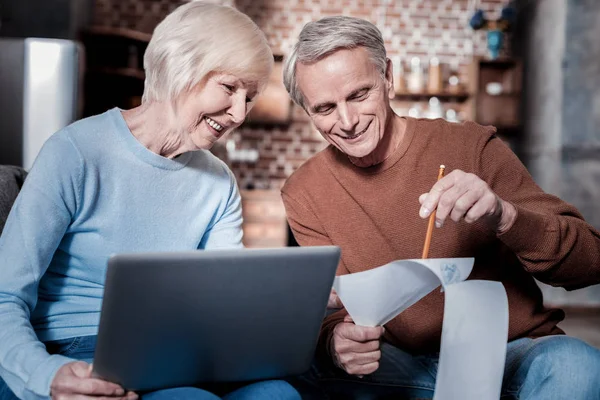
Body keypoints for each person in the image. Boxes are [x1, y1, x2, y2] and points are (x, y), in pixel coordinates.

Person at [281, 15, 600, 399]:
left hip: (508, 353)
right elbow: (330, 308)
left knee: (575, 365)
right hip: (401, 364)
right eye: (325, 109)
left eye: (359, 95)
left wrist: (505, 216)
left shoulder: (470, 146)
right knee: (289, 371)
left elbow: (590, 262)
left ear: (388, 77)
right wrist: (336, 341)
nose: (347, 122)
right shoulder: (304, 191)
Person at [0, 3, 301, 400]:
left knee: (279, 394)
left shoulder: (218, 182)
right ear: (182, 65)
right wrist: (45, 373)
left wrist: (288, 304)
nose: (239, 113)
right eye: (229, 88)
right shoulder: (76, 151)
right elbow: (5, 293)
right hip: (78, 347)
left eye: (250, 97)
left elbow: (220, 304)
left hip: (177, 350)